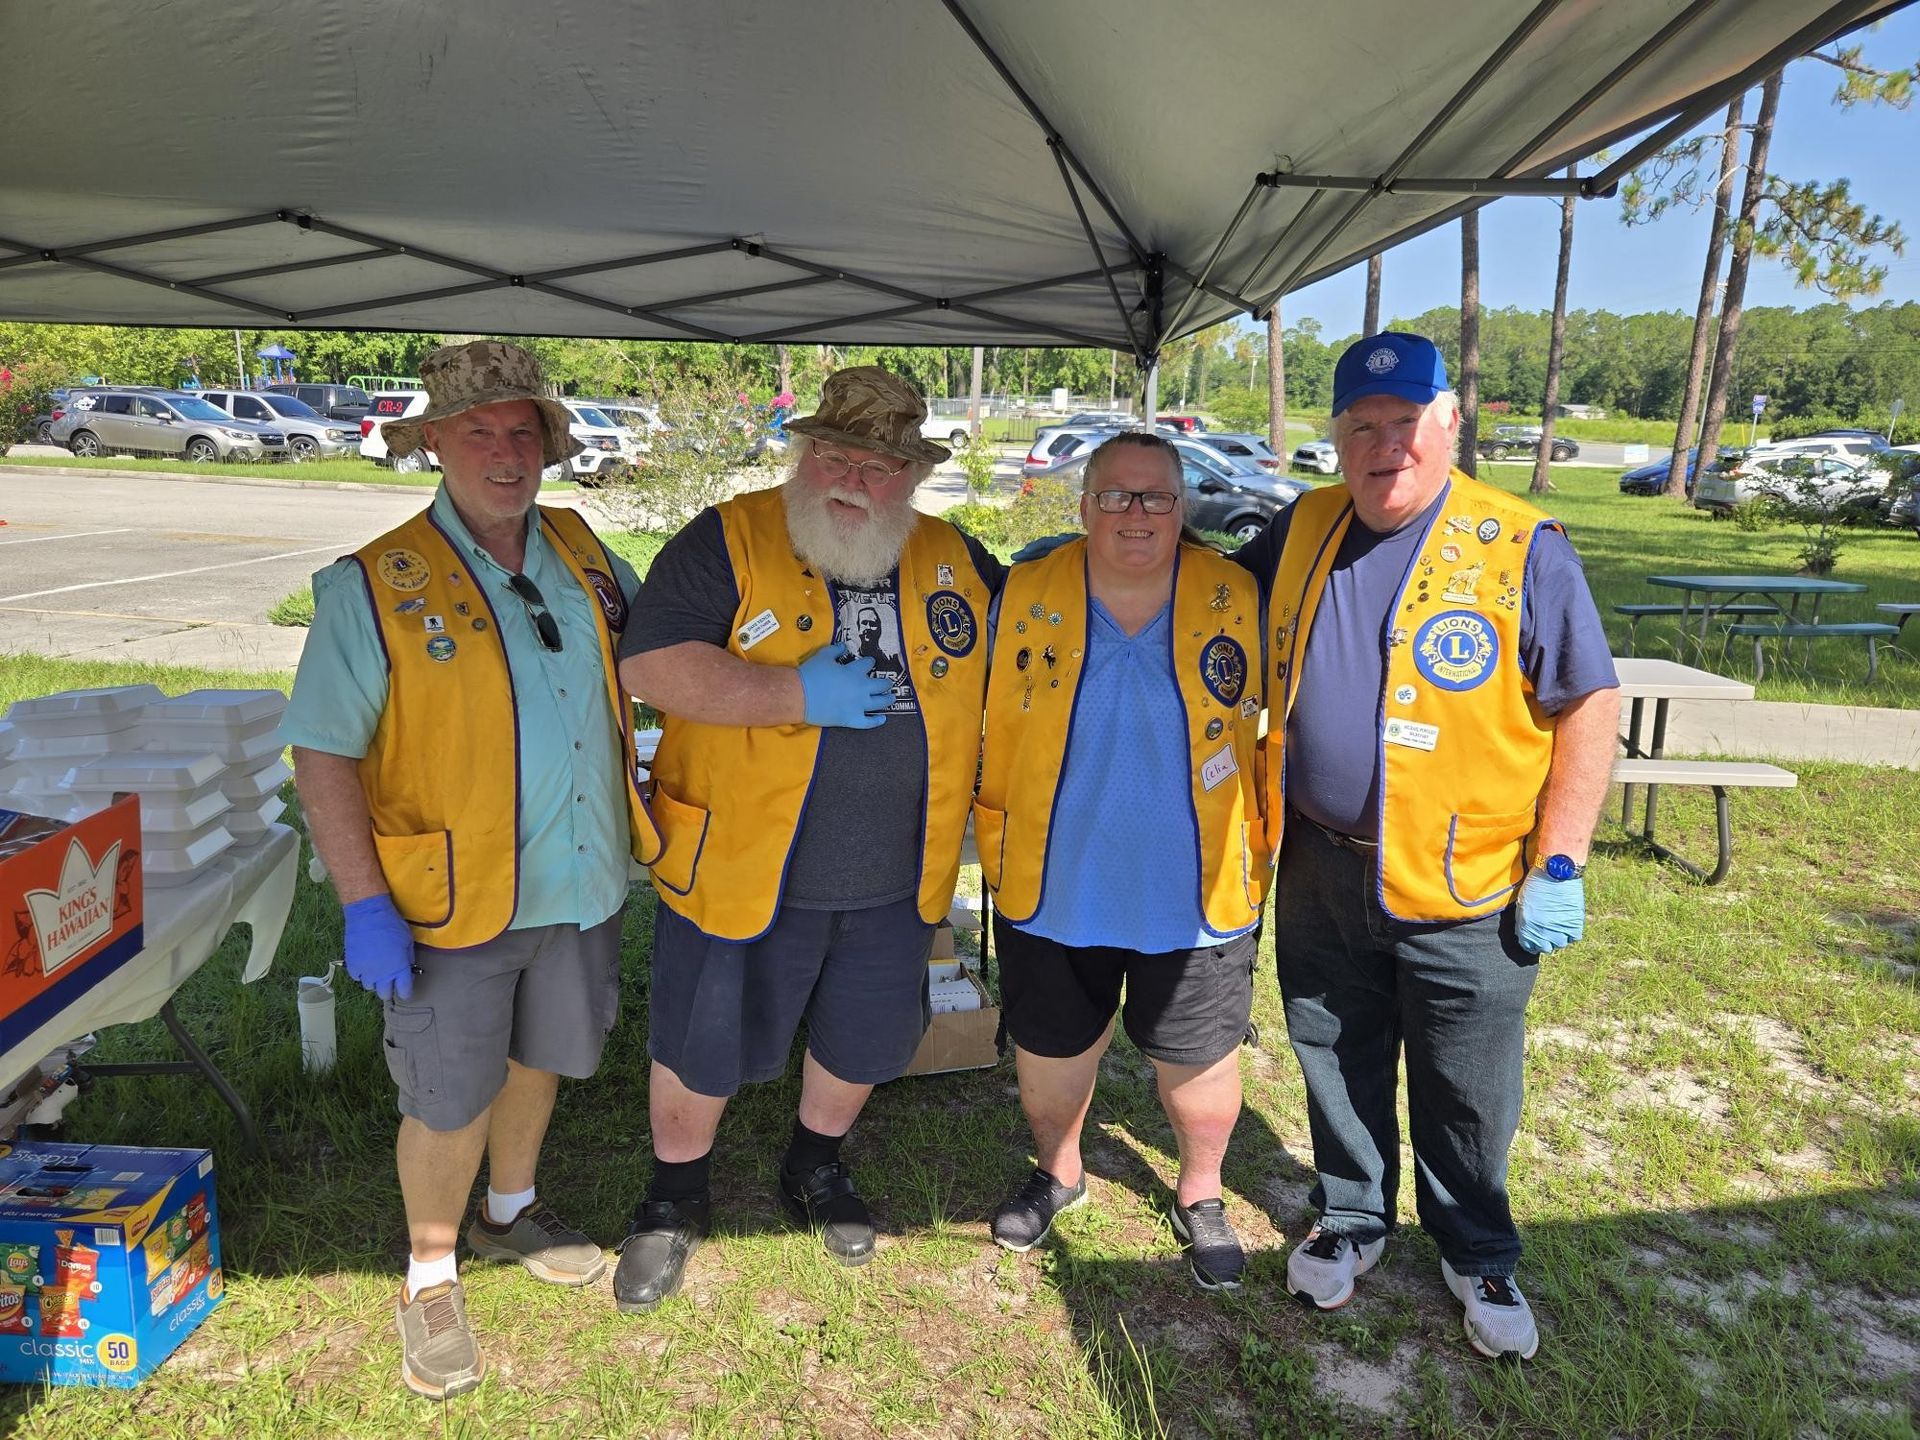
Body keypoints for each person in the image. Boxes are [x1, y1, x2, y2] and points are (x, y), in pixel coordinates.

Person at [1231, 332, 1620, 1360]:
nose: (1384, 445)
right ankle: (1353, 1212)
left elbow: (1586, 703)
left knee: (1466, 1078)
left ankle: (1477, 1247)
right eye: (1361, 426)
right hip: (1321, 861)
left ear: (1449, 425)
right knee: (1331, 1045)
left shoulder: (1522, 543)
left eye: (1406, 422)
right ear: (1338, 439)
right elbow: (1207, 603)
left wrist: (1561, 860)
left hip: (1473, 878)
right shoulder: (1303, 525)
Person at [285, 340, 655, 1401]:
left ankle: (511, 1208)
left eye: (523, 432)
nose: (506, 452)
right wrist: (364, 902)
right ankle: (431, 1271)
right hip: (450, 898)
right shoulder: (375, 583)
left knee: (540, 1057)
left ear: (547, 447)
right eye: (480, 432)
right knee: (450, 1095)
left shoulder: (584, 550)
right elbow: (322, 751)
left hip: (581, 882)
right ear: (435, 444)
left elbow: (654, 657)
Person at [613, 366, 1005, 1310]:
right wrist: (793, 695)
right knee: (700, 1039)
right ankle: (672, 1200)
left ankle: (814, 1164)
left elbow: (1042, 651)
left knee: (863, 1037)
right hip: (742, 862)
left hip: (897, 871)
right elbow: (651, 665)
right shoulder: (728, 538)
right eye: (832, 453)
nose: (850, 478)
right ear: (804, 452)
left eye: (879, 465)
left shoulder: (953, 556)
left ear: (913, 476)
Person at [974, 432, 1269, 1289]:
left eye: (1156, 498)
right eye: (1117, 496)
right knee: (1052, 1050)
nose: (1136, 514)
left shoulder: (1239, 595)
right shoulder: (1021, 593)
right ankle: (1060, 1170)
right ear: (1084, 506)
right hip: (1053, 877)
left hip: (1198, 885)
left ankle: (1200, 1191)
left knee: (1202, 1057)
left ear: (1183, 510)